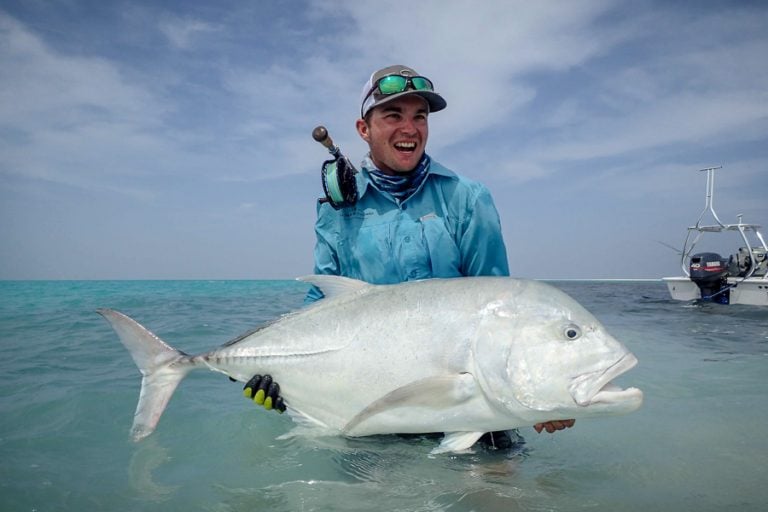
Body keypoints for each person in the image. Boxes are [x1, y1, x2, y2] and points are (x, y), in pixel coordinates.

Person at [243, 65, 574, 447]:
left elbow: (499, 309)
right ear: (363, 129)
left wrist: (546, 387)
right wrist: (275, 373)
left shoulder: (468, 198)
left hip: (468, 411)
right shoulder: (336, 210)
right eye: (393, 115)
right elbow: (322, 304)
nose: (410, 128)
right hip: (371, 411)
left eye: (420, 117)